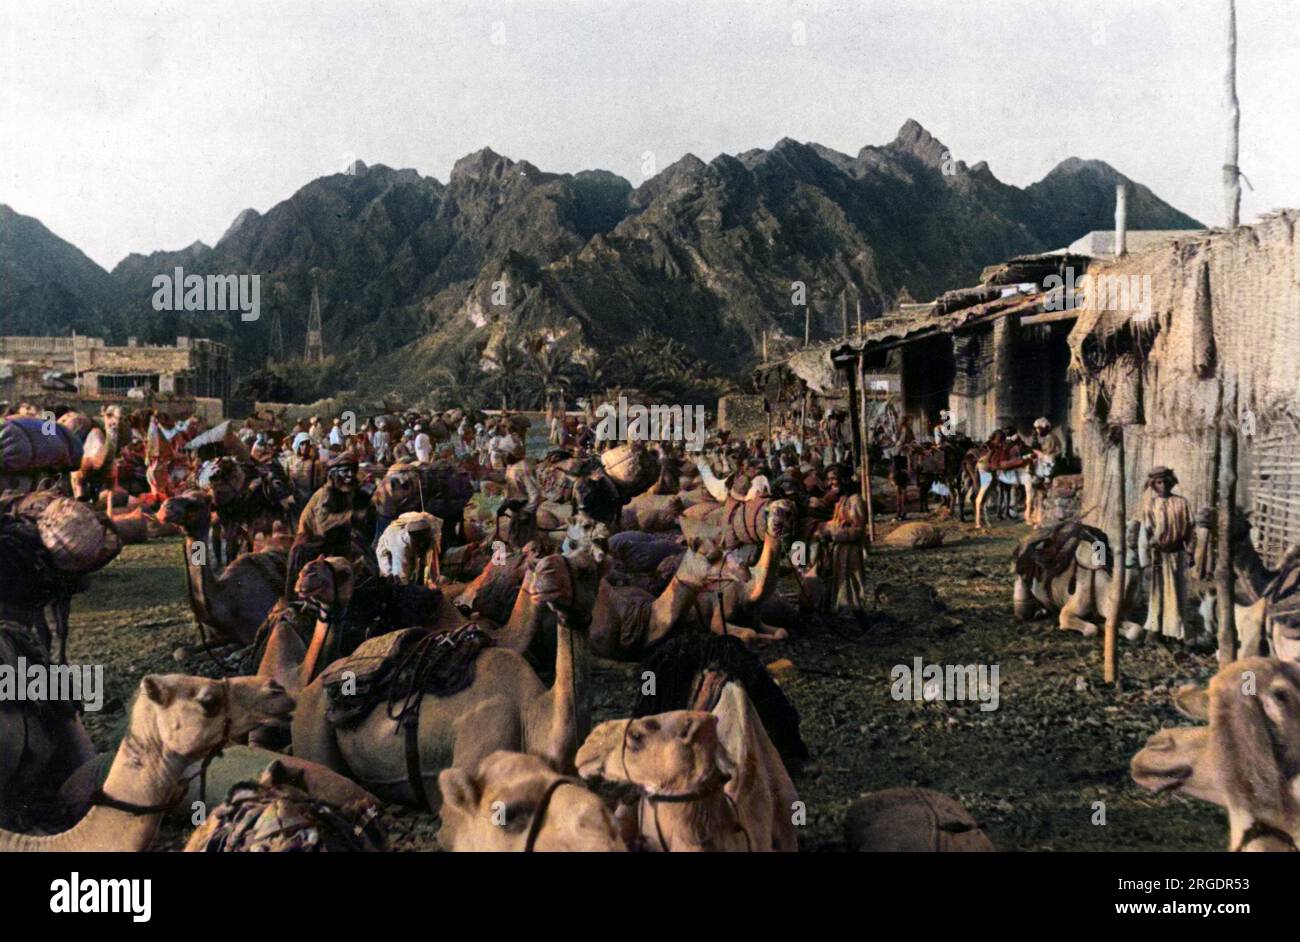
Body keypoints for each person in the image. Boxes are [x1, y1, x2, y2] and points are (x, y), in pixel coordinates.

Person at [1136, 466, 1194, 642]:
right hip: (1158, 555)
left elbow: (1191, 530)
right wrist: (1144, 560)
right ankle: (1154, 629)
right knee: (1157, 592)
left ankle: (1176, 631)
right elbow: (1144, 533)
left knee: (1177, 592)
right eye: (1159, 483)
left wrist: (1190, 551)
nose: (1163, 486)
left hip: (1178, 553)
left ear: (1171, 483)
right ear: (1153, 485)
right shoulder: (1150, 505)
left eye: (1166, 482)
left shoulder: (1182, 503)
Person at [814, 465, 868, 615]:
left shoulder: (855, 500)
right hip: (839, 550)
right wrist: (824, 529)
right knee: (839, 585)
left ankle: (861, 621)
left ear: (843, 479)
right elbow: (837, 523)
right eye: (829, 479)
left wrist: (833, 535)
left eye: (834, 479)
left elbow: (857, 529)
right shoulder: (842, 500)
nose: (832, 483)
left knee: (853, 587)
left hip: (851, 551)